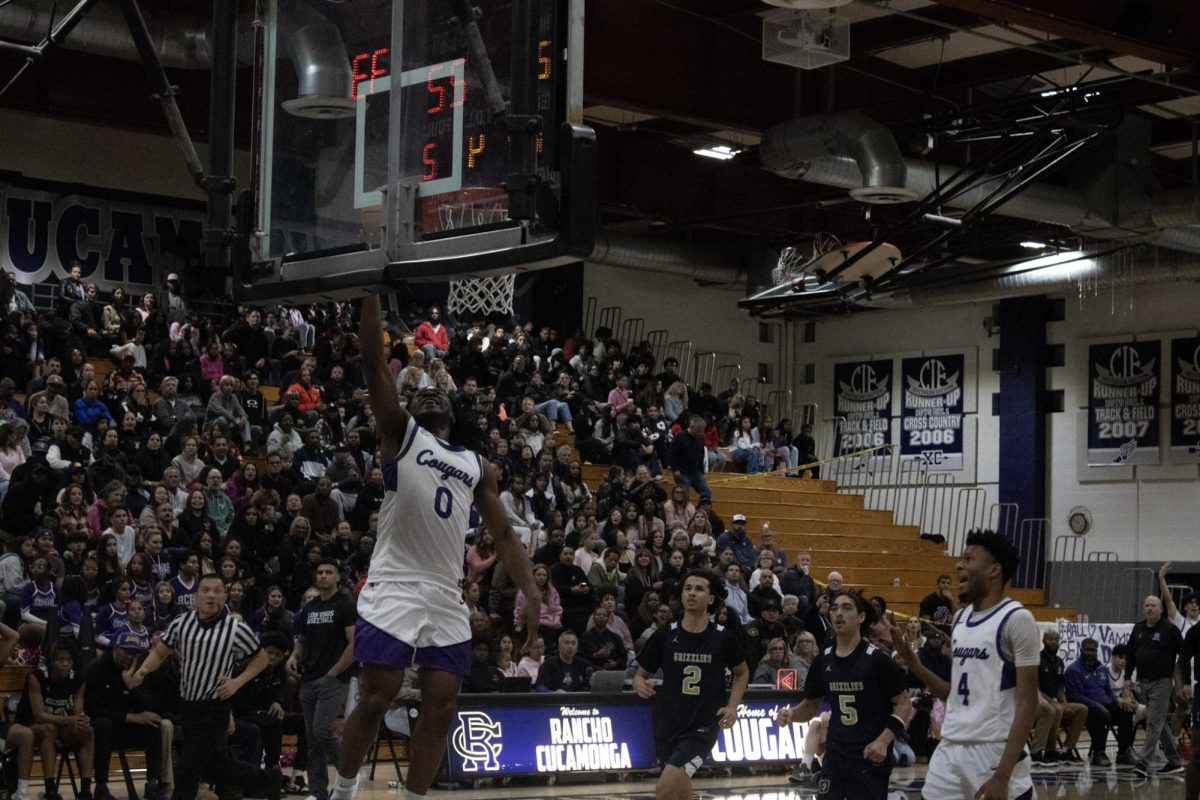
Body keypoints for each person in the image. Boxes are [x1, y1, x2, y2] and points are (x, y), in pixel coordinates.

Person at [328, 296, 541, 800]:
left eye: (436, 395)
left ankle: (413, 797)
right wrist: (369, 292)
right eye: (418, 393)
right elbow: (374, 361)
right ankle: (343, 789)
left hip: (445, 594)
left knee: (443, 707)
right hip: (395, 584)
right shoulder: (399, 435)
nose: (427, 395)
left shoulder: (477, 465)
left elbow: (506, 535)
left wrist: (531, 592)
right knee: (378, 696)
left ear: (452, 409)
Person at [890, 529, 1039, 800]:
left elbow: (1029, 703)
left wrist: (1002, 775)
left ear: (994, 570)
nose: (959, 565)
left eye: (969, 559)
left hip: (994, 750)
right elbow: (954, 696)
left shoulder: (1017, 619)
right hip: (951, 747)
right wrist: (916, 665)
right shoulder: (960, 620)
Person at [122, 574, 282, 800]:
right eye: (206, 590)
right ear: (196, 597)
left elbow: (261, 659)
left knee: (189, 769)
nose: (211, 595)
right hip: (188, 705)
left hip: (214, 705)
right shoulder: (181, 623)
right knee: (211, 765)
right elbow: (160, 652)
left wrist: (237, 682)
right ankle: (267, 779)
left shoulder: (235, 628)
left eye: (217, 591)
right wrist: (142, 671)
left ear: (224, 596)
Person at [775, 590, 911, 799]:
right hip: (836, 755)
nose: (839, 613)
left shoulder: (877, 660)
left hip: (869, 755)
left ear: (861, 617)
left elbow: (904, 704)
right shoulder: (823, 660)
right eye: (834, 608)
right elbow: (811, 705)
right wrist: (792, 714)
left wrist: (883, 741)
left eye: (846, 608)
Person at [633, 570, 749, 800]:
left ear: (711, 598)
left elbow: (742, 672)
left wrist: (732, 706)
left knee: (664, 790)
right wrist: (639, 684)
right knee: (679, 790)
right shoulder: (665, 635)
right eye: (688, 588)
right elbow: (640, 674)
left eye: (699, 589)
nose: (692, 594)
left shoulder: (722, 637)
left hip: (703, 725)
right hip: (669, 722)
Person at [287, 559, 356, 800]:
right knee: (312, 739)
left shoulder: (346, 604)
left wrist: (334, 672)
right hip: (308, 677)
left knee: (323, 730)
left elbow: (353, 643)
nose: (323, 576)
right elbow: (302, 640)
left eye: (329, 572)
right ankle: (317, 791)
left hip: (333, 678)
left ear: (338, 577)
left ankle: (349, 775)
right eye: (320, 572)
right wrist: (294, 656)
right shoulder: (310, 608)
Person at [85, 632, 168, 800]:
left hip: (127, 730)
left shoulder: (139, 669)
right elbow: (94, 709)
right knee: (103, 724)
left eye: (134, 653)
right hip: (104, 731)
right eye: (126, 651)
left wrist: (132, 686)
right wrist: (132, 718)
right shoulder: (97, 668)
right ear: (115, 648)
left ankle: (153, 784)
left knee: (153, 722)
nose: (130, 656)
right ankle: (101, 787)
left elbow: (150, 706)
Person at [1123, 592, 1184, 776]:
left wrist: (1182, 681)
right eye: (1147, 605)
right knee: (1157, 722)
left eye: (1153, 605)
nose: (1150, 608)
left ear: (1161, 609)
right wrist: (1127, 678)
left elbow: (1183, 654)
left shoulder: (1169, 630)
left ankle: (1144, 763)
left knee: (1153, 723)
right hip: (1143, 682)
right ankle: (1174, 761)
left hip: (1162, 682)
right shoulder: (1138, 629)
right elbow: (1131, 655)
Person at [1064, 637, 1135, 768]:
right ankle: (1099, 753)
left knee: (1126, 711)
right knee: (1100, 714)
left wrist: (1118, 701)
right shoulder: (1074, 670)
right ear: (1081, 650)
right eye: (1087, 650)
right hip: (1088, 707)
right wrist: (1095, 705)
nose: (1090, 653)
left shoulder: (1101, 668)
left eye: (1093, 650)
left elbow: (1108, 690)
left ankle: (1123, 753)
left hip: (1106, 704)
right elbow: (1074, 696)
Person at [1031, 628, 1086, 765]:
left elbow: (1061, 688)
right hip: (1039, 702)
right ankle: (1048, 751)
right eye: (1050, 639)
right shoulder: (1037, 659)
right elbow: (1034, 688)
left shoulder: (1060, 662)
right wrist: (1052, 702)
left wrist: (1065, 702)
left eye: (1056, 639)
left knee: (1081, 709)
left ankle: (1066, 750)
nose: (1053, 642)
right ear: (1043, 641)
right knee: (1056, 709)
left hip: (1056, 702)